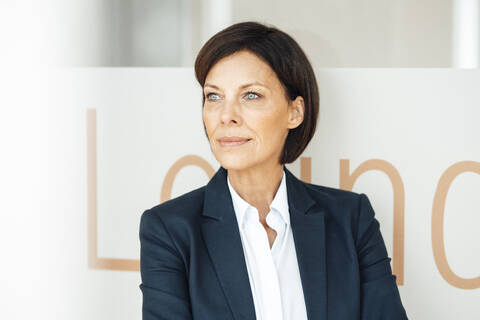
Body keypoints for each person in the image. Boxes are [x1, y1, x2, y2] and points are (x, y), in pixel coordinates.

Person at [139, 21, 408, 320]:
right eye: (213, 96)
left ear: (295, 111)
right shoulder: (170, 230)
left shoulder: (351, 220)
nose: (226, 116)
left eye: (251, 95)